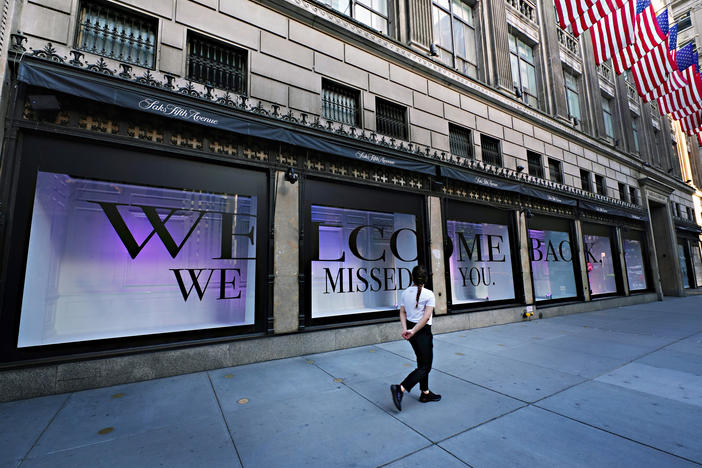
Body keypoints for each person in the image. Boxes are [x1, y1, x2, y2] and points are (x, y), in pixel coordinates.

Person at [390, 265, 441, 411]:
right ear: (426, 279)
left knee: (422, 363)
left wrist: (406, 329)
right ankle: (400, 388)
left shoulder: (405, 293)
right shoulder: (429, 294)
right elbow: (426, 318)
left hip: (412, 331)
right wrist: (412, 331)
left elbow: (402, 312)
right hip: (422, 331)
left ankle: (425, 393)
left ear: (412, 277)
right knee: (426, 366)